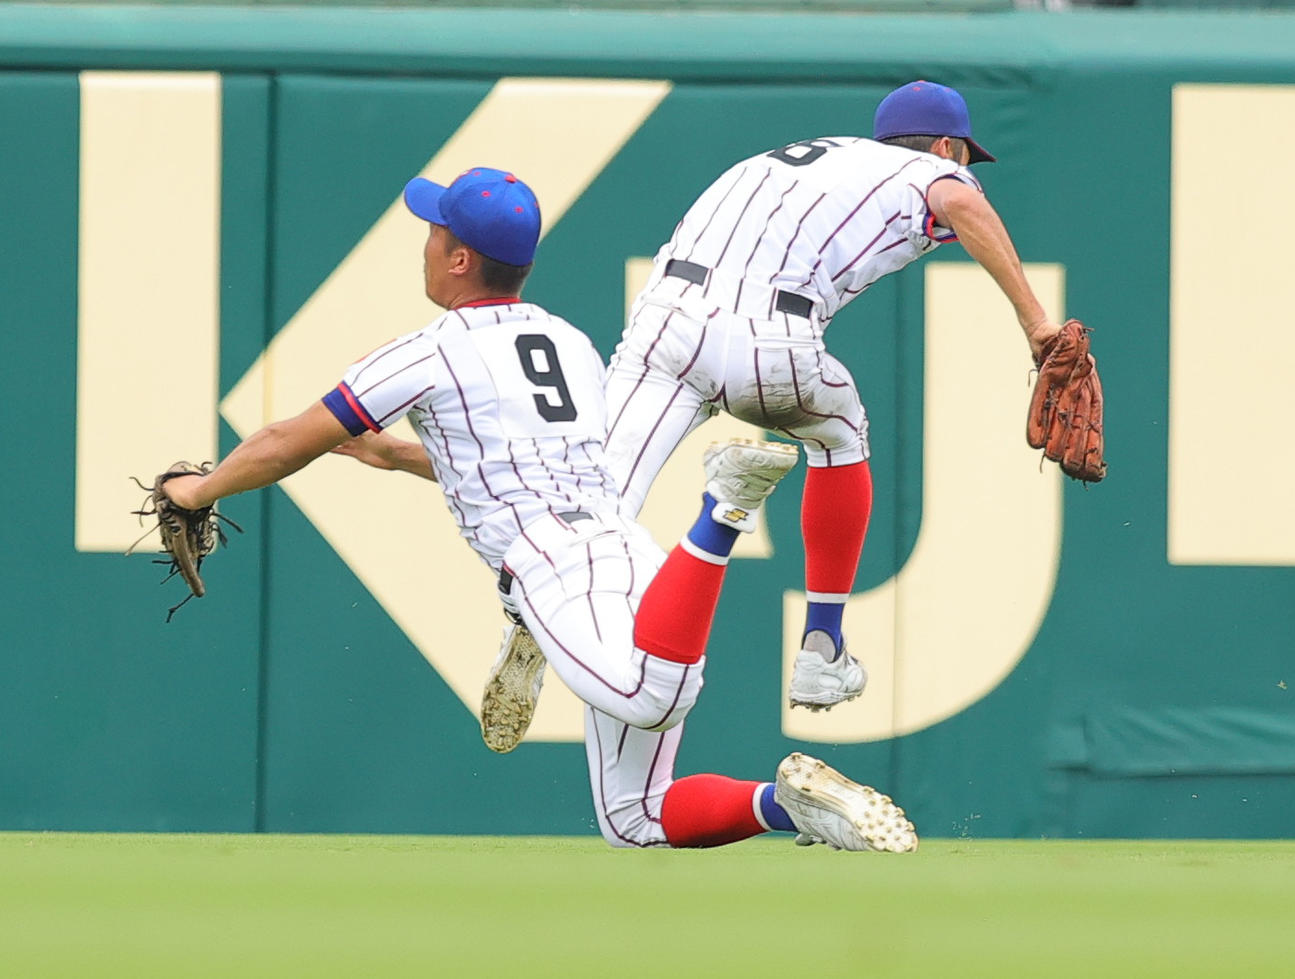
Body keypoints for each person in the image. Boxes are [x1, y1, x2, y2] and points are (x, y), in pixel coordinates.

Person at [155, 165, 917, 852]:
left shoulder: (429, 350)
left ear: (459, 259)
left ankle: (724, 506)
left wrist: (199, 489)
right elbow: (518, 465)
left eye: (435, 231)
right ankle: (790, 807)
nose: (424, 243)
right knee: (635, 818)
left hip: (554, 567)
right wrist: (394, 454)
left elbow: (290, 438)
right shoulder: (566, 340)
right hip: (623, 553)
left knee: (647, 697)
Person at [603, 80, 1066, 712]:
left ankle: (532, 607)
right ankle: (822, 648)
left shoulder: (798, 159)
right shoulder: (928, 169)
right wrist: (1037, 322)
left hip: (664, 324)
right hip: (772, 339)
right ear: (944, 145)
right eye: (963, 154)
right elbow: (957, 199)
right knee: (839, 433)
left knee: (596, 499)